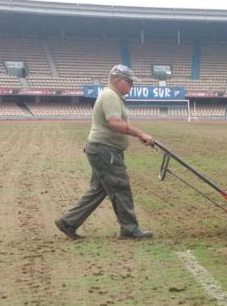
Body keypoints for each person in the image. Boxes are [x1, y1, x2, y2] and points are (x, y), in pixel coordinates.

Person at [55, 64, 156, 240]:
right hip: (105, 151)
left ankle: (68, 222)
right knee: (120, 187)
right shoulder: (110, 96)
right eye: (129, 82)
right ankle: (130, 229)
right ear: (117, 80)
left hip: (101, 149)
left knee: (98, 189)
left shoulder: (112, 95)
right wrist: (140, 133)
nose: (131, 86)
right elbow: (114, 122)